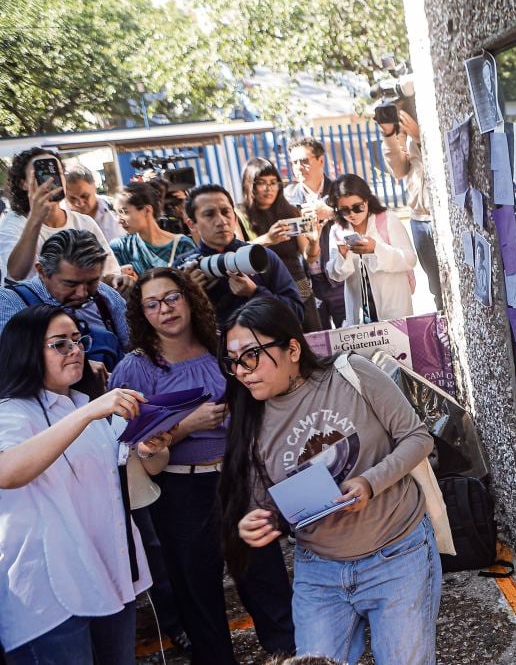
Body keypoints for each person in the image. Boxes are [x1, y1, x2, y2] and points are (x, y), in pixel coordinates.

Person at [219, 298, 440, 664]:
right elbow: (265, 502)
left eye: (251, 355)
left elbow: (418, 438)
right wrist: (255, 522)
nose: (242, 371)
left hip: (398, 555)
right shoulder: (249, 419)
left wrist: (371, 482)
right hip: (318, 571)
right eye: (233, 361)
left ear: (292, 348)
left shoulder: (351, 373)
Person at [110, 268, 296, 662]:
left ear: (190, 298)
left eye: (172, 297)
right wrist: (185, 426)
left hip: (239, 478)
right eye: (153, 304)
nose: (165, 309)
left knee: (266, 580)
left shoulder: (222, 350)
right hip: (179, 490)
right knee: (197, 593)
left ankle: (291, 656)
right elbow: (127, 444)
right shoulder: (136, 368)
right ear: (142, 313)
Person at [0, 304, 159, 663]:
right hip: (49, 591)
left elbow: (146, 468)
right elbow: (7, 472)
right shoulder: (11, 411)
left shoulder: (85, 403)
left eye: (77, 340)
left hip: (109, 569)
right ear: (26, 351)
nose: (75, 350)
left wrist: (151, 447)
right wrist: (88, 412)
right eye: (60, 343)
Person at [0, 229, 130, 372]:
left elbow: (134, 349)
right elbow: (9, 370)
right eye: (70, 284)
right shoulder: (10, 304)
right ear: (42, 272)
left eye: (92, 282)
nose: (82, 293)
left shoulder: (106, 296)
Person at [175, 184, 305, 326]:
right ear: (192, 224)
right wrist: (188, 295)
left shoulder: (261, 257)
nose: (221, 221)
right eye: (209, 214)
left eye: (226, 212)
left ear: (235, 218)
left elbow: (297, 312)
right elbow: (171, 327)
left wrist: (255, 293)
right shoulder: (184, 269)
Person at [0, 147, 121, 283]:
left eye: (57, 173)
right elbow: (16, 273)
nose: (50, 181)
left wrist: (117, 280)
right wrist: (35, 217)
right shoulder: (13, 222)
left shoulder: (84, 222)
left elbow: (108, 271)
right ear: (23, 184)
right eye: (39, 175)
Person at [238, 158, 323, 332]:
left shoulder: (290, 211)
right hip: (264, 288)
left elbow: (309, 257)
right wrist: (267, 239)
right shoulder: (239, 214)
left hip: (299, 282)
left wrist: (314, 241)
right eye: (261, 183)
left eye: (273, 182)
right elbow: (236, 252)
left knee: (314, 336)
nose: (269, 189)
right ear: (249, 184)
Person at [326, 175, 418, 325]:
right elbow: (335, 275)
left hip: (394, 306)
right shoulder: (337, 230)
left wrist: (376, 249)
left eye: (357, 207)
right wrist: (342, 256)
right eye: (344, 210)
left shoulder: (387, 220)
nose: (352, 214)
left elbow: (410, 259)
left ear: (367, 200)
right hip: (361, 312)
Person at [378, 104, 443, 311]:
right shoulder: (403, 136)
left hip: (440, 218)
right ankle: (446, 328)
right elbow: (399, 170)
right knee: (437, 286)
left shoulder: (433, 130)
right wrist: (391, 136)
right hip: (419, 220)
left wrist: (419, 138)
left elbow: (445, 162)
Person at [285, 138, 344, 330]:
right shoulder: (287, 197)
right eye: (294, 162)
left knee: (351, 333)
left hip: (339, 278)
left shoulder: (341, 190)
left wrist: (331, 212)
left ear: (321, 160)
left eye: (303, 161)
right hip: (305, 282)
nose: (298, 167)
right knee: (317, 339)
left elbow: (363, 217)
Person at [111, 182, 198, 276]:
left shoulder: (182, 245)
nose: (119, 220)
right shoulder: (120, 247)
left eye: (124, 212)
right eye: (117, 213)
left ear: (147, 210)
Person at [63, 166, 123, 243]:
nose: (79, 203)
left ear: (94, 186)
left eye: (84, 196)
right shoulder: (62, 219)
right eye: (72, 199)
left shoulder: (117, 209)